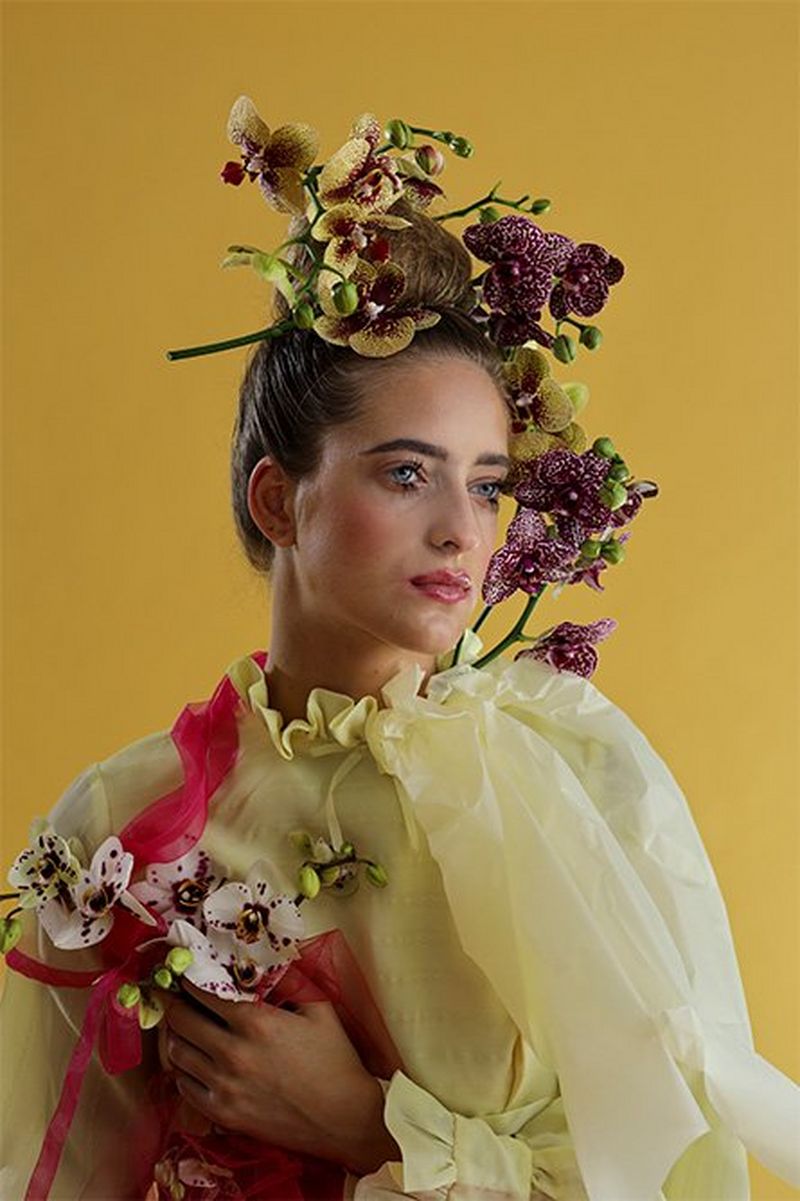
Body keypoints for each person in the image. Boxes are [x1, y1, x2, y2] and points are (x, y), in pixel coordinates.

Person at [1, 108, 798, 1201]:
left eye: (487, 485)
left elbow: (663, 1177)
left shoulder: (566, 786)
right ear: (278, 500)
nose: (463, 531)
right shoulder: (117, 826)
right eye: (408, 474)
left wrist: (365, 1127)